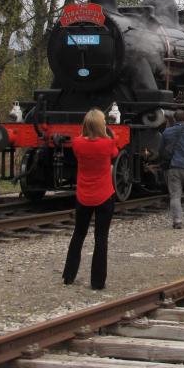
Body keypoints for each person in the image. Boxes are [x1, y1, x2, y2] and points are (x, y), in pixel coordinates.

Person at [62, 108, 120, 290]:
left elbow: (79, 147)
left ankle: (69, 276)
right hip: (104, 195)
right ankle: (97, 282)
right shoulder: (107, 144)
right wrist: (110, 132)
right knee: (101, 238)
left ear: (86, 125)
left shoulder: (77, 143)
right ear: (102, 125)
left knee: (78, 234)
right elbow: (115, 152)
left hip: (83, 196)